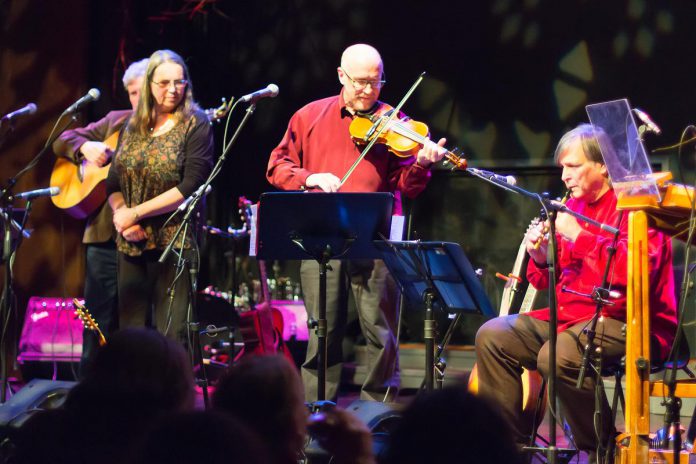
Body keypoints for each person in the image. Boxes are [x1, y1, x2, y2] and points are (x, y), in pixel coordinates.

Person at [474, 123, 677, 460]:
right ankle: (507, 449)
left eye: (573, 166)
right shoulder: (575, 207)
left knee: (559, 353)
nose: (565, 176)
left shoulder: (635, 206)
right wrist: (542, 258)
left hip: (630, 319)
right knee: (494, 335)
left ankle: (601, 450)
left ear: (602, 166)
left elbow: (632, 272)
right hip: (574, 317)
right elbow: (551, 280)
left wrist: (579, 235)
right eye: (562, 168)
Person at [267, 43, 446, 402]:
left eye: (375, 83)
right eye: (360, 82)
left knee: (380, 334)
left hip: (376, 240)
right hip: (321, 239)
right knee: (323, 333)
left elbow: (406, 187)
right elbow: (277, 167)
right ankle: (317, 412)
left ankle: (376, 413)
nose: (367, 90)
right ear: (341, 76)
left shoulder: (397, 124)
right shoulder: (309, 116)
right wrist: (309, 178)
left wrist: (423, 165)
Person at [105, 49, 213, 342]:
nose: (172, 89)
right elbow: (113, 182)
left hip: (174, 241)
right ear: (150, 84)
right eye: (164, 83)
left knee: (172, 334)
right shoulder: (133, 126)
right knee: (131, 333)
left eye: (179, 82)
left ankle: (171, 389)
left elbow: (190, 184)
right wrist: (123, 217)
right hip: (131, 239)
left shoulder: (195, 123)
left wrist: (136, 213)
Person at [52, 57, 148, 374]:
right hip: (102, 235)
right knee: (95, 321)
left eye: (142, 91)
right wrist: (84, 149)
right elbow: (63, 139)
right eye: (132, 93)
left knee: (137, 324)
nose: (137, 100)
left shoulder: (172, 131)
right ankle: (89, 395)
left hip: (142, 238)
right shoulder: (116, 120)